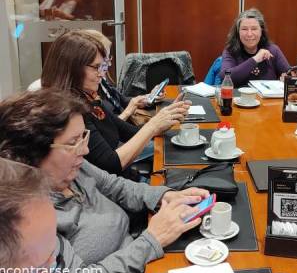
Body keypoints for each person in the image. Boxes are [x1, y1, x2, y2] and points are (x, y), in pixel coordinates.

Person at [0, 89, 207, 273]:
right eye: (73, 143)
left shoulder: (73, 167)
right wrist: (151, 241)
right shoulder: (31, 217)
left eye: (84, 137)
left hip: (144, 251)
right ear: (33, 153)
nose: (85, 150)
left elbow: (115, 186)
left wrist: (163, 196)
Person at [41, 30, 189, 178]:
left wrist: (165, 121)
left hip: (124, 179)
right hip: (118, 185)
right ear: (73, 68)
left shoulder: (89, 98)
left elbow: (127, 131)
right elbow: (111, 164)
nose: (102, 73)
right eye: (96, 67)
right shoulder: (71, 113)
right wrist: (154, 125)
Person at [219, 8, 294, 88]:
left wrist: (289, 78)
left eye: (254, 29)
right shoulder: (230, 51)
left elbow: (289, 76)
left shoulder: (273, 50)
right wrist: (255, 59)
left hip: (268, 100)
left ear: (261, 31)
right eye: (244, 29)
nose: (249, 34)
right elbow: (225, 77)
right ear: (238, 32)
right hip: (239, 99)